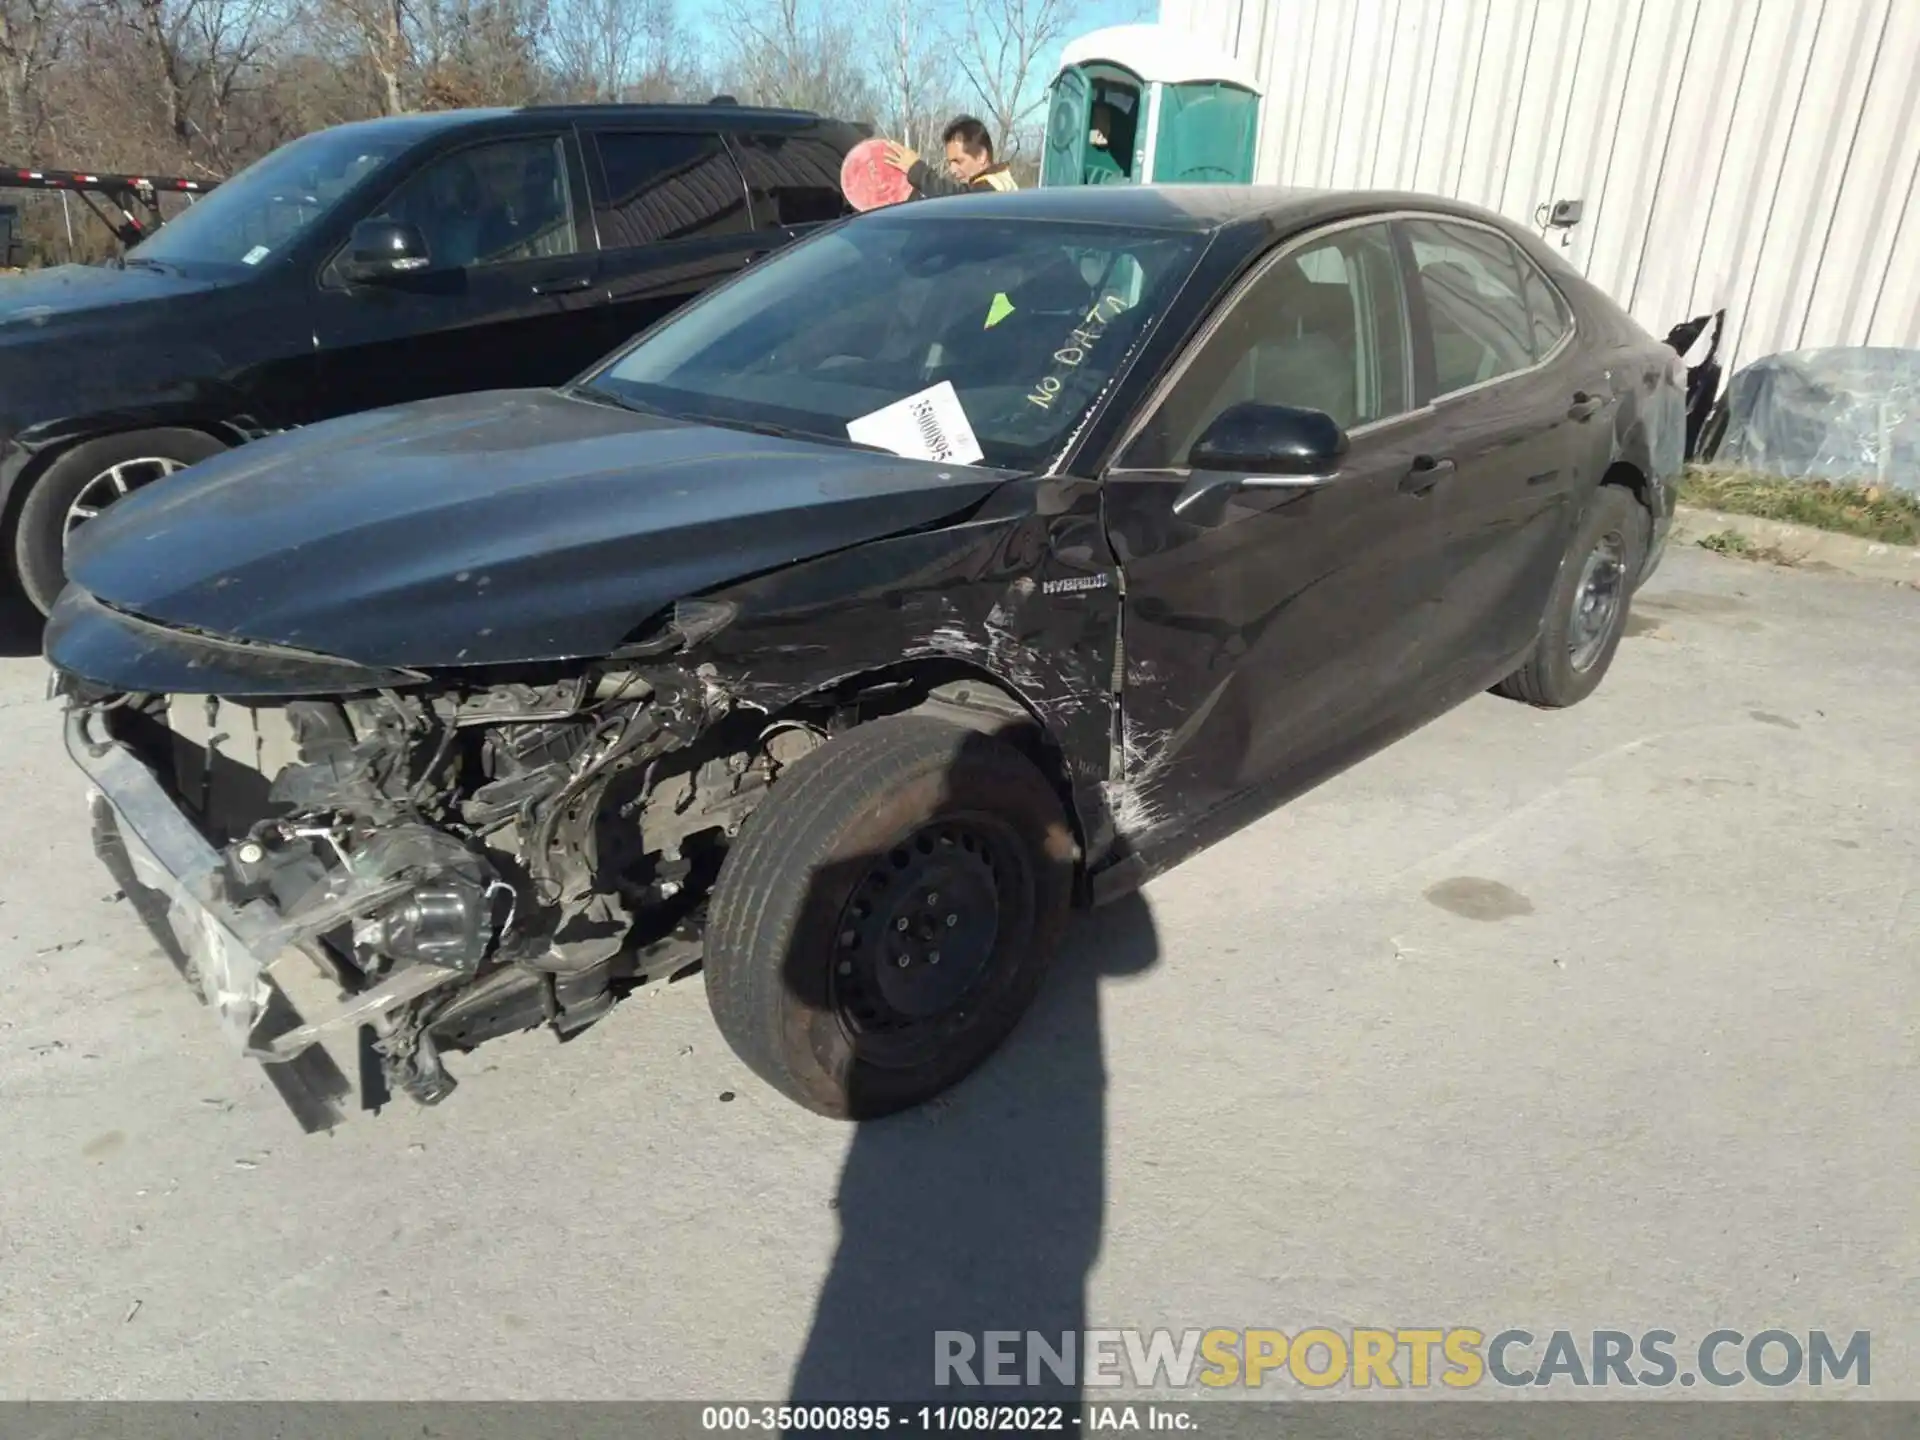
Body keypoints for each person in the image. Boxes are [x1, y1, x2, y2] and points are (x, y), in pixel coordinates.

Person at [883, 115, 1018, 199]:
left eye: (958, 161)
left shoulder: (993, 188)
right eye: (950, 162)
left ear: (981, 156)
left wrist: (918, 171)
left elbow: (955, 199)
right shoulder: (1000, 181)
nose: (952, 170)